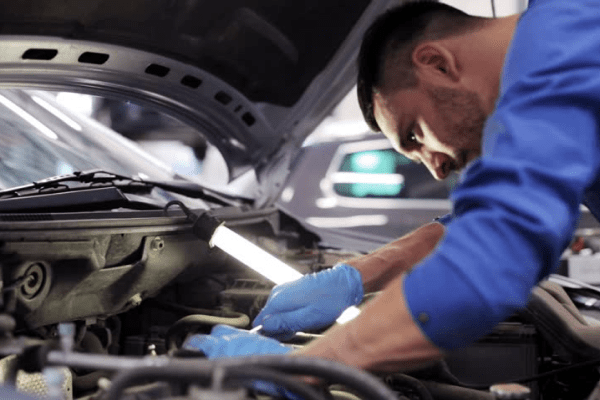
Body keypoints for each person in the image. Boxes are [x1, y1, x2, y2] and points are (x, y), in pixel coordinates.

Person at [185, 0, 600, 375]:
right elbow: (492, 215)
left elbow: (496, 251)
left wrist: (307, 367)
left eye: (414, 135)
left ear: (436, 63)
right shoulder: (563, 52)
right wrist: (356, 275)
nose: (437, 170)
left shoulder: (558, 48)